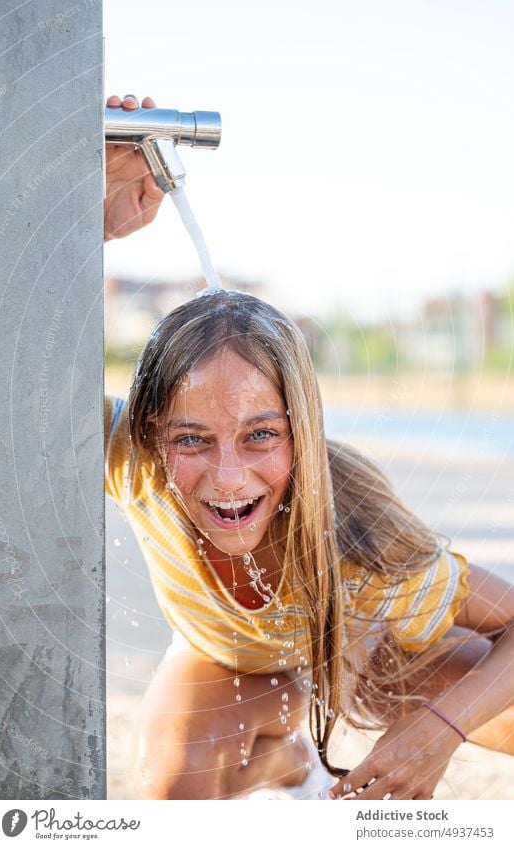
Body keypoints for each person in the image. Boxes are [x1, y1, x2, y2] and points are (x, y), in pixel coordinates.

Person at [104, 95, 514, 801]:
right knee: (175, 790)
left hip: (372, 650)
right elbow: (11, 356)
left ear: (305, 431)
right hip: (228, 663)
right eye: (191, 439)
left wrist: (439, 729)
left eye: (261, 434)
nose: (228, 477)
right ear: (150, 435)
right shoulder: (133, 461)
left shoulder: (368, 539)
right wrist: (93, 225)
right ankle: (283, 757)